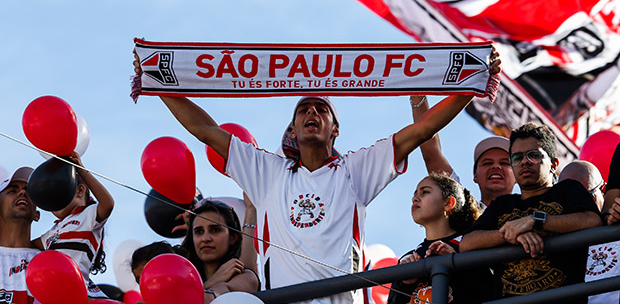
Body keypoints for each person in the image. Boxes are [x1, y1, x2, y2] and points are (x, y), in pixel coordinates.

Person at [134, 49, 501, 303]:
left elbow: (420, 132)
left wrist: (472, 86)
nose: (312, 112)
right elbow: (205, 130)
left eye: (321, 109)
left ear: (335, 129)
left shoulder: (356, 169)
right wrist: (156, 81)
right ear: (292, 129)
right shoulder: (266, 171)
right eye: (303, 109)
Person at [460, 122, 601, 303]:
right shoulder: (502, 204)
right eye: (517, 158)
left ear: (553, 164)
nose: (525, 162)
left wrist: (536, 221)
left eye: (533, 155)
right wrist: (511, 233)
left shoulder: (568, 190)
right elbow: (467, 244)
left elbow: (592, 221)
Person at [387, 172, 490, 304]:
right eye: (415, 194)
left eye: (425, 192)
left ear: (448, 203)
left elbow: (490, 292)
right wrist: (406, 283)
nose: (415, 198)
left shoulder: (470, 244)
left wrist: (457, 263)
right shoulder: (408, 258)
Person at [32, 152, 115, 299]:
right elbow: (26, 246)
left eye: (58, 194)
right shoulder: (53, 230)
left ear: (80, 190)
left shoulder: (89, 215)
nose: (53, 204)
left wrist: (82, 170)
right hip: (52, 291)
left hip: (77, 289)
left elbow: (108, 204)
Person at [410, 95, 515, 209]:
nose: (496, 167)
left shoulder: (533, 214)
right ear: (475, 176)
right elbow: (431, 152)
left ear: (517, 176)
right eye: (487, 163)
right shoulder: (464, 211)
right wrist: (417, 95)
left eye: (505, 163)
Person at [558, 160, 617, 303]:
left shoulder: (617, 230)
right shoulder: (549, 240)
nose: (577, 205)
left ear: (603, 189)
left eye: (585, 195)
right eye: (566, 199)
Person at [180, 199, 260, 302]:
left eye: (215, 230)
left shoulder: (246, 276)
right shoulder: (183, 277)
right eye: (199, 231)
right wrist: (214, 280)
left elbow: (224, 292)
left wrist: (251, 210)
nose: (205, 238)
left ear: (233, 237)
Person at [0, 167, 40, 304]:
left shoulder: (54, 260)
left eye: (30, 191)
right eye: (12, 190)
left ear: (37, 214)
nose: (23, 192)